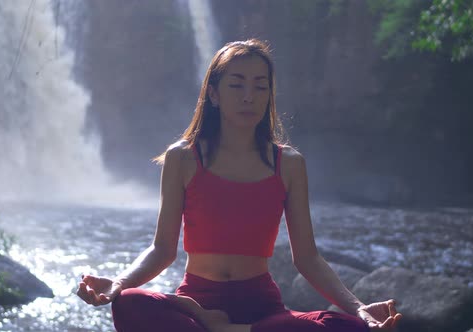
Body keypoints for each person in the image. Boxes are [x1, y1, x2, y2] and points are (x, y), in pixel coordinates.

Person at [76, 39, 402, 332]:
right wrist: (117, 284)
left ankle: (223, 330)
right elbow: (162, 250)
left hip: (262, 308)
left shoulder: (288, 163)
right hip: (197, 300)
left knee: (348, 329)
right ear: (214, 94)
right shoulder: (184, 158)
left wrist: (359, 309)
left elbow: (308, 259)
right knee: (130, 303)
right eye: (237, 85)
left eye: (261, 87)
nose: (250, 97)